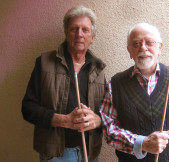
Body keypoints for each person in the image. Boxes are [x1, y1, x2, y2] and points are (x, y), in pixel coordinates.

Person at [100, 23, 169, 162]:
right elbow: (108, 129)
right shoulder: (115, 84)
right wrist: (141, 143)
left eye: (149, 42)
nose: (143, 48)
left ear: (159, 48)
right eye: (136, 43)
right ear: (129, 51)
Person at [22, 5, 106, 162]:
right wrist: (64, 120)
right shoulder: (44, 63)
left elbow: (108, 114)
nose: (79, 34)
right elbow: (28, 109)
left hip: (90, 152)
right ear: (67, 33)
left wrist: (97, 120)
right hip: (57, 155)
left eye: (85, 30)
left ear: (92, 37)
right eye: (74, 29)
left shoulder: (99, 69)